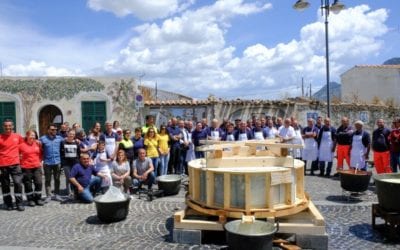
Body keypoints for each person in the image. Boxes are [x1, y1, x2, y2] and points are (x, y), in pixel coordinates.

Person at [0, 120, 24, 211]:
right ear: (3, 127)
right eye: (6, 126)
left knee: (18, 183)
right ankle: (8, 203)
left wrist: (37, 142)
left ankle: (19, 203)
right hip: (3, 164)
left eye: (9, 125)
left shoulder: (17, 137)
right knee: (5, 185)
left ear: (13, 126)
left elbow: (24, 146)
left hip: (15, 164)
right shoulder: (0, 137)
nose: (8, 127)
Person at [20, 130, 44, 207]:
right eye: (31, 135)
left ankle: (38, 198)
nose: (32, 137)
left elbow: (40, 154)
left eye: (34, 135)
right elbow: (17, 155)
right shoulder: (21, 145)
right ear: (27, 136)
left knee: (39, 183)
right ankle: (30, 199)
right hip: (26, 167)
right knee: (28, 184)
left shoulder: (38, 144)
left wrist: (40, 161)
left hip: (37, 166)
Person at [40, 123, 64, 202]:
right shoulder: (42, 139)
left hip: (57, 162)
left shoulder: (60, 138)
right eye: (52, 129)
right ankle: (48, 196)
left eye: (56, 130)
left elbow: (69, 141)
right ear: (48, 130)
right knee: (47, 180)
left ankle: (57, 194)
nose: (54, 131)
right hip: (47, 162)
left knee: (57, 179)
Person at [60, 130, 80, 196]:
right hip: (66, 164)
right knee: (68, 178)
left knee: (75, 177)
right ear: (67, 134)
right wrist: (63, 162)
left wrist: (78, 162)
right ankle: (69, 192)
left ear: (74, 135)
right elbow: (61, 152)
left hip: (75, 163)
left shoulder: (77, 143)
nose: (71, 135)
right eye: (70, 134)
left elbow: (79, 153)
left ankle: (75, 190)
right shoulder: (63, 142)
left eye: (73, 134)